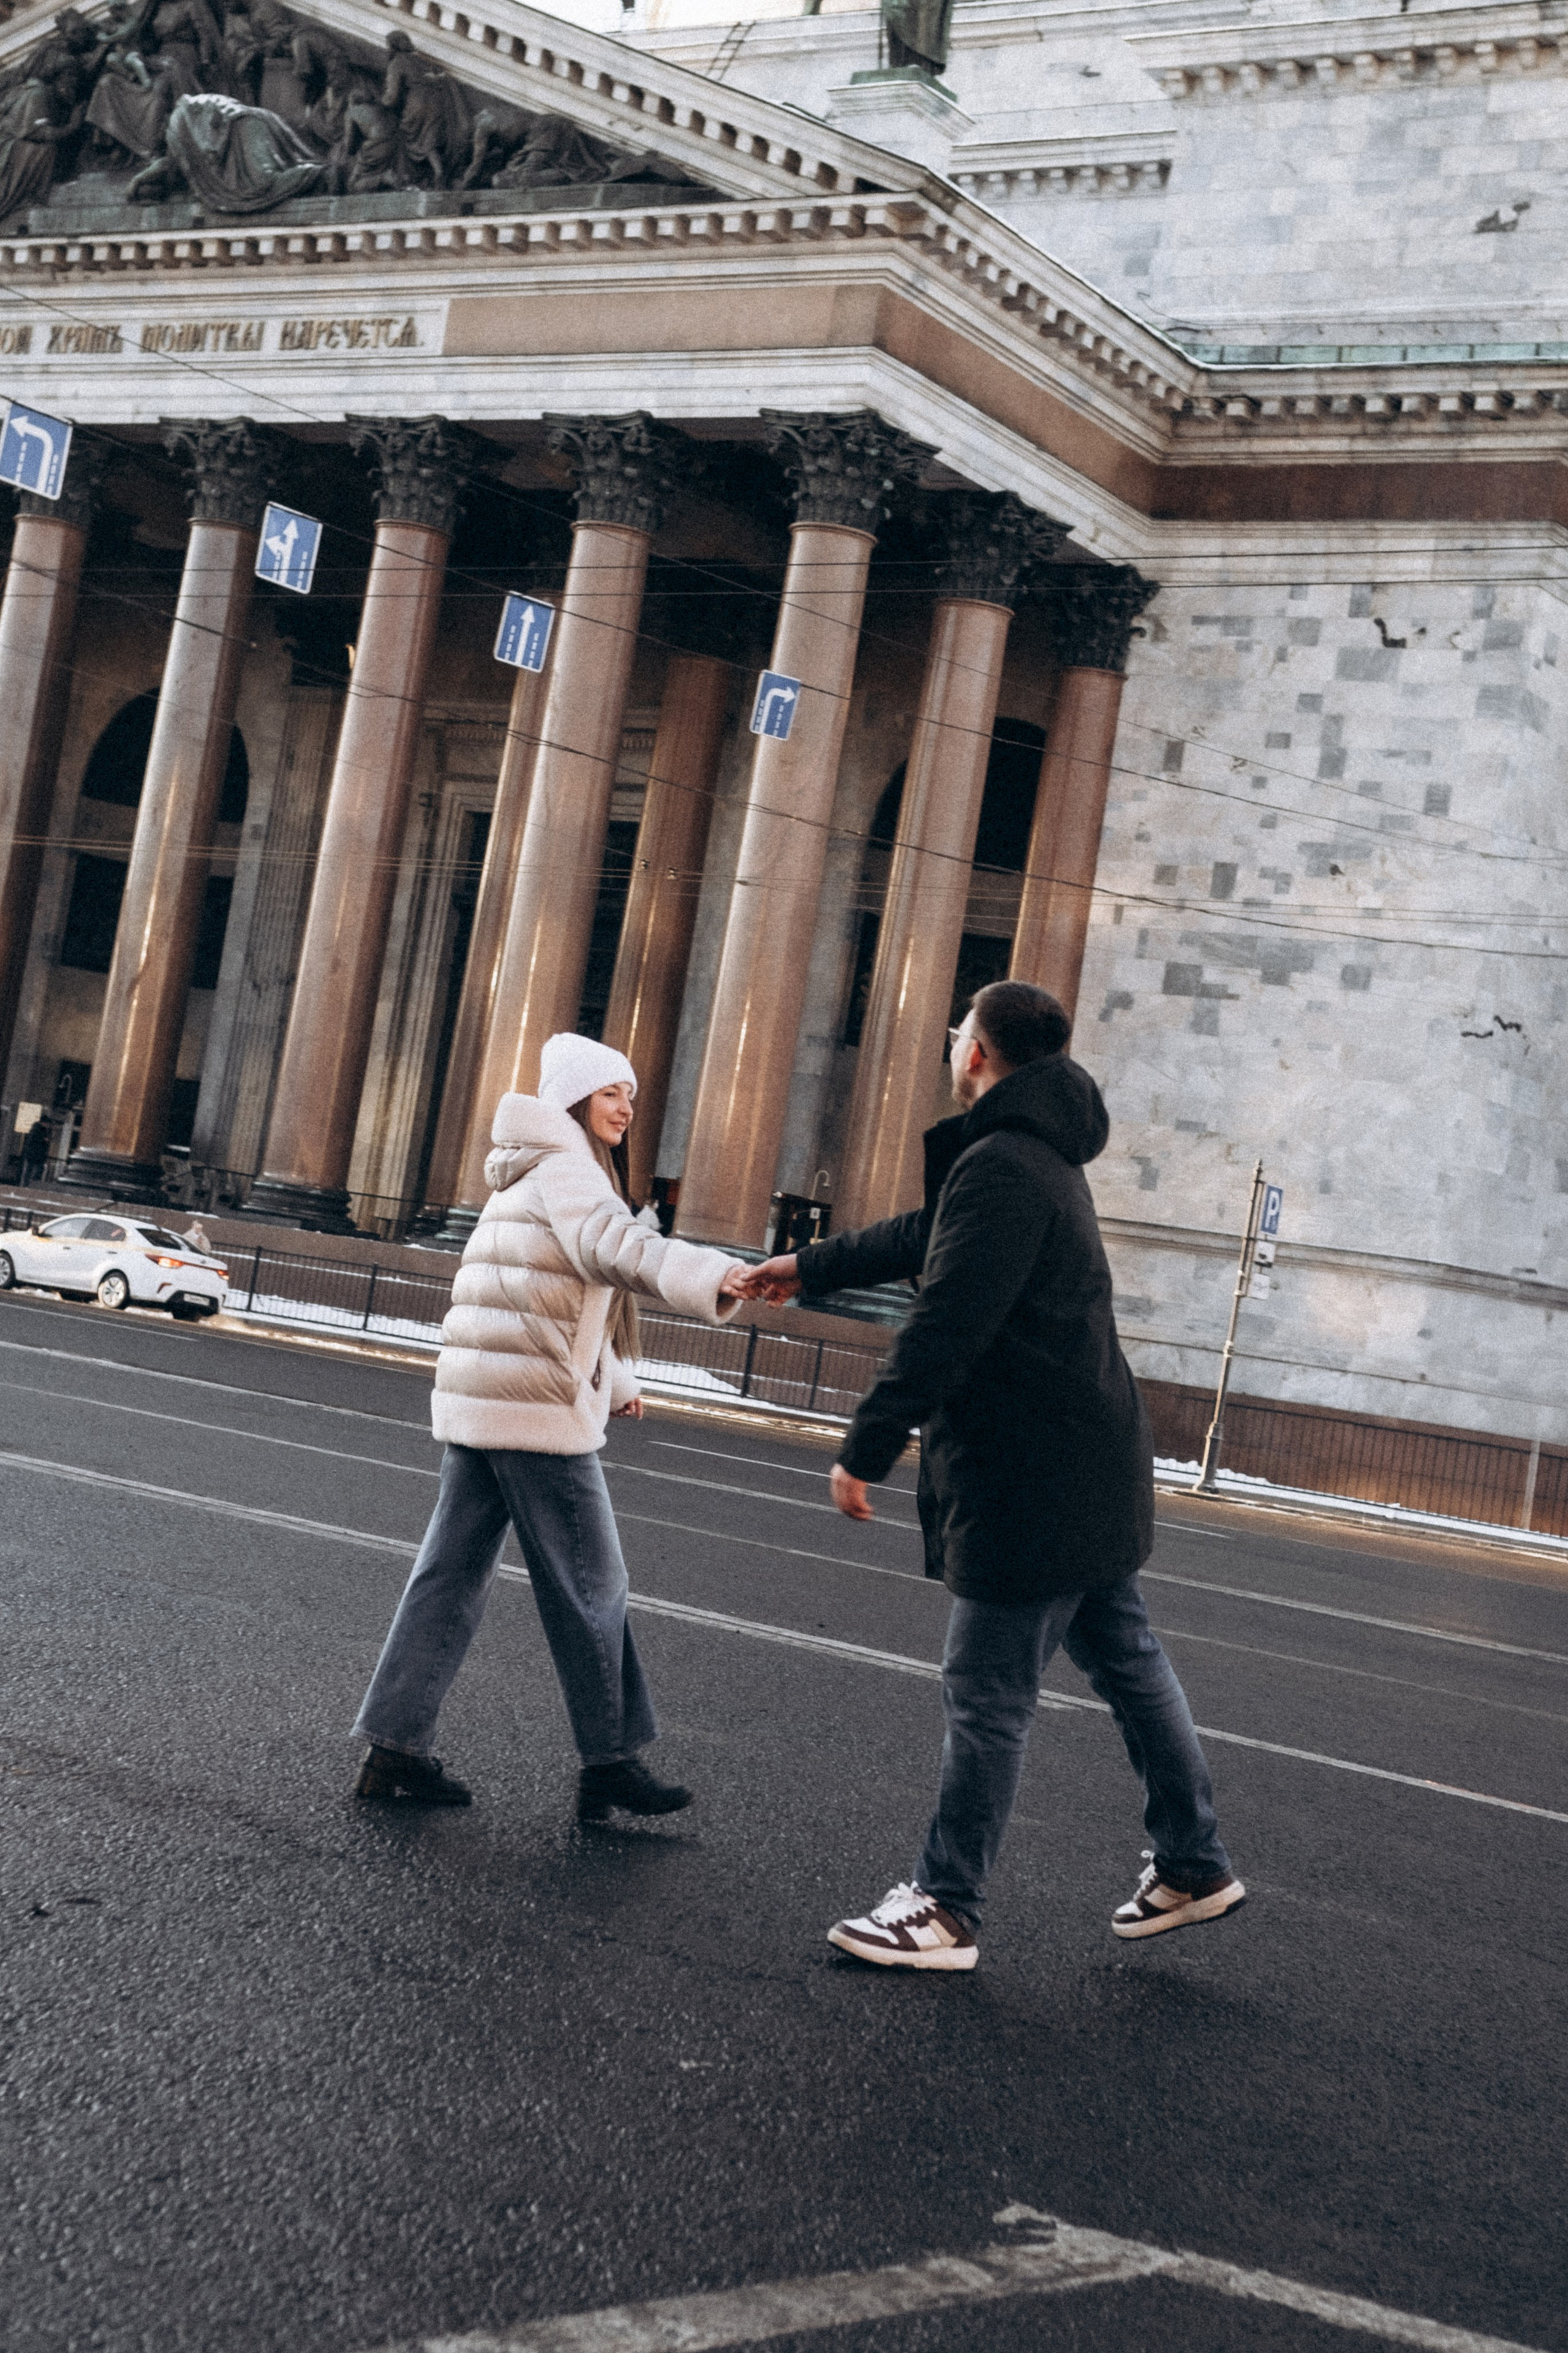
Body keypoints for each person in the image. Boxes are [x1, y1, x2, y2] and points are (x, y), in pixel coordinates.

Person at [744, 980, 1244, 1970]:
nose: (951, 1044)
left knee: (986, 1691)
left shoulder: (1006, 1165)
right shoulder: (1028, 1154)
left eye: (955, 1030)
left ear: (978, 1052)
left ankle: (946, 1906)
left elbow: (949, 1318)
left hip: (1034, 1475)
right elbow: (924, 1239)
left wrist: (869, 1440)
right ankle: (1192, 1860)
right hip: (1084, 1459)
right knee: (1132, 1664)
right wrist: (804, 1268)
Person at [353, 1033, 752, 1824]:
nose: (626, 1108)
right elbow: (614, 1247)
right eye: (612, 1093)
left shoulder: (529, 1166)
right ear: (575, 1098)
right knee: (592, 1586)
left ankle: (394, 1747)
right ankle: (611, 1761)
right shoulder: (569, 1168)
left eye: (631, 1097)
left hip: (485, 1400)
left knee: (449, 1576)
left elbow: (548, 1295)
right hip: (530, 1412)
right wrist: (717, 1273)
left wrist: (618, 1378)